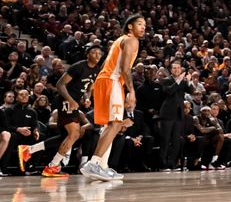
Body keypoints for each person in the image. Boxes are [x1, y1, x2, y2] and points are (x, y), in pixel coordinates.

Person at [18, 44, 102, 177]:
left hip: (74, 103)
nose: (97, 55)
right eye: (94, 52)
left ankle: (28, 150)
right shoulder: (78, 66)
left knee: (65, 137)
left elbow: (88, 88)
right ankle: (52, 166)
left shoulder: (97, 70)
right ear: (87, 54)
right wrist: (70, 100)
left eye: (99, 53)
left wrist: (87, 98)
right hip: (65, 100)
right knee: (74, 134)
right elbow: (60, 84)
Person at [80, 14, 146, 181]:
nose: (143, 27)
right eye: (139, 24)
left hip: (103, 80)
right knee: (116, 123)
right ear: (130, 26)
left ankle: (102, 166)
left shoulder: (119, 40)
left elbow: (104, 65)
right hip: (113, 80)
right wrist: (132, 91)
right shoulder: (132, 40)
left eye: (144, 25)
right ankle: (93, 163)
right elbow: (124, 68)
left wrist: (92, 88)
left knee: (110, 124)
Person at [158, 62, 193, 172]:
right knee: (165, 139)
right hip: (167, 114)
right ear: (171, 70)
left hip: (179, 114)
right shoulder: (166, 80)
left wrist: (189, 81)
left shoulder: (182, 81)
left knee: (176, 140)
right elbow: (169, 91)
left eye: (178, 68)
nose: (177, 70)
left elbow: (191, 91)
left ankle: (172, 163)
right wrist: (179, 80)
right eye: (174, 68)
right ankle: (163, 164)